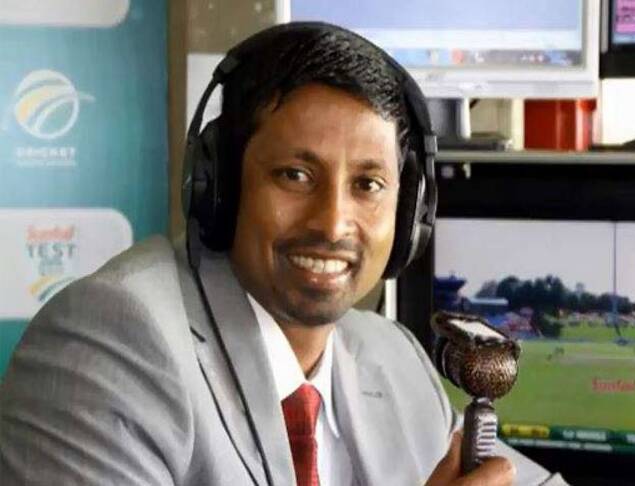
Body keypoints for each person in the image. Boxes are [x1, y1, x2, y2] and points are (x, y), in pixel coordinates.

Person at [0, 23, 548, 485]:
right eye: (295, 175)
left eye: (368, 185)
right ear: (220, 186)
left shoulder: (393, 358)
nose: (332, 223)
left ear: (408, 217)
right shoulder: (113, 341)